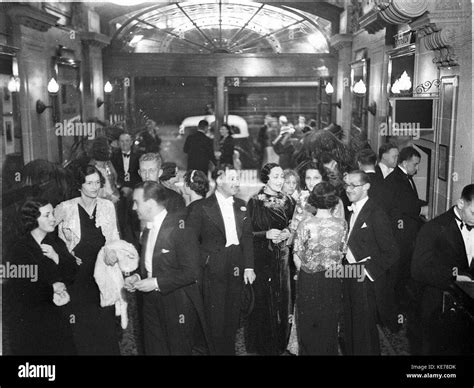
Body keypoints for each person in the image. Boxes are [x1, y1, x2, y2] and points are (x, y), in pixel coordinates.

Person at [124, 181, 210, 355]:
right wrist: (138, 277)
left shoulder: (181, 228)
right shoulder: (148, 229)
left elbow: (191, 272)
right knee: (154, 349)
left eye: (137, 202)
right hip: (150, 301)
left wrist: (155, 282)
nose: (134, 208)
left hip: (177, 303)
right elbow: (151, 265)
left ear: (150, 204)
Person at [187, 167, 256, 354]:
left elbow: (248, 237)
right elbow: (190, 242)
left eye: (237, 178)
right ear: (219, 180)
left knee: (233, 315)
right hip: (212, 267)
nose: (237, 182)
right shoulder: (202, 207)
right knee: (215, 317)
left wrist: (249, 267)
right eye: (232, 178)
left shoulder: (241, 204)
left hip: (236, 264)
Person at [54, 164, 121, 355]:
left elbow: (114, 238)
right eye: (89, 183)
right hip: (77, 278)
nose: (94, 187)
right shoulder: (66, 208)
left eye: (97, 183)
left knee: (104, 327)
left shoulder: (107, 207)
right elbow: (47, 232)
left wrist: (112, 252)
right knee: (80, 328)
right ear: (79, 185)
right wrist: (65, 255)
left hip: (101, 276)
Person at [6, 198, 77, 355]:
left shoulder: (56, 242)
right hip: (31, 322)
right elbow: (20, 288)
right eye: (47, 215)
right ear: (33, 219)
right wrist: (52, 289)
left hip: (57, 317)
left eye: (52, 213)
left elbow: (72, 272)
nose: (53, 218)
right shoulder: (20, 248)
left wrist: (56, 257)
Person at [411, 184, 474, 355]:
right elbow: (418, 269)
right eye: (473, 213)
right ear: (461, 203)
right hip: (437, 304)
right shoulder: (432, 228)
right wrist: (455, 277)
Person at [342, 171, 399, 355]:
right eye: (346, 185)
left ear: (366, 187)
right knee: (350, 325)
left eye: (353, 185)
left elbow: (391, 252)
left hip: (365, 279)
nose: (348, 189)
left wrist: (365, 272)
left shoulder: (376, 212)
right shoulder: (350, 208)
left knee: (364, 332)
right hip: (349, 273)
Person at [246, 163, 295, 355]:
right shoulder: (255, 201)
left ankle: (279, 344)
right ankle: (261, 345)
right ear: (266, 178)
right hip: (262, 257)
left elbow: (294, 224)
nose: (280, 180)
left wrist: (287, 232)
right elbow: (246, 234)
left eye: (282, 176)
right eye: (276, 176)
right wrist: (265, 234)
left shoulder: (288, 200)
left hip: (282, 257)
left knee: (282, 300)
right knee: (262, 301)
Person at [293, 182, 347, 355]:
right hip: (332, 278)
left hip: (309, 279)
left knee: (309, 324)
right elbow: (342, 253)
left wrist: (306, 271)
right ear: (334, 201)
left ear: (314, 200)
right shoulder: (342, 224)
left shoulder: (305, 224)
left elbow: (297, 255)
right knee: (329, 323)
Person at [356, 148, 397, 331]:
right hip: (383, 243)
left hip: (363, 249)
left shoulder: (358, 185)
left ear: (358, 163)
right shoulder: (386, 184)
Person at [384, 147, 428, 309]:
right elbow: (406, 205)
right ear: (404, 162)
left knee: (401, 273)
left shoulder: (402, 177)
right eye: (415, 165)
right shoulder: (398, 179)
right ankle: (394, 309)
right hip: (400, 236)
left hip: (404, 235)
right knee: (397, 274)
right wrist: (422, 209)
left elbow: (411, 199)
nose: (417, 169)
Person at [289, 161, 344, 241]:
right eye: (308, 178)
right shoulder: (302, 198)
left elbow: (339, 229)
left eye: (316, 178)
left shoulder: (335, 201)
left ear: (323, 179)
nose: (311, 182)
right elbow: (295, 226)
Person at [111, 132, 141, 242]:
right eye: (122, 141)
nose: (124, 143)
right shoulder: (113, 157)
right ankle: (122, 239)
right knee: (120, 219)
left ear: (131, 142)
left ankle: (135, 241)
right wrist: (122, 187)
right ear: (118, 143)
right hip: (119, 191)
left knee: (134, 219)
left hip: (133, 191)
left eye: (127, 141)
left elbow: (139, 176)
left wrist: (132, 188)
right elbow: (113, 176)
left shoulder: (138, 157)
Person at [89, 136, 120, 205]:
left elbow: (114, 180)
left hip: (113, 202)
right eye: (108, 147)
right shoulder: (91, 169)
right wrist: (110, 198)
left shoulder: (108, 163)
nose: (110, 149)